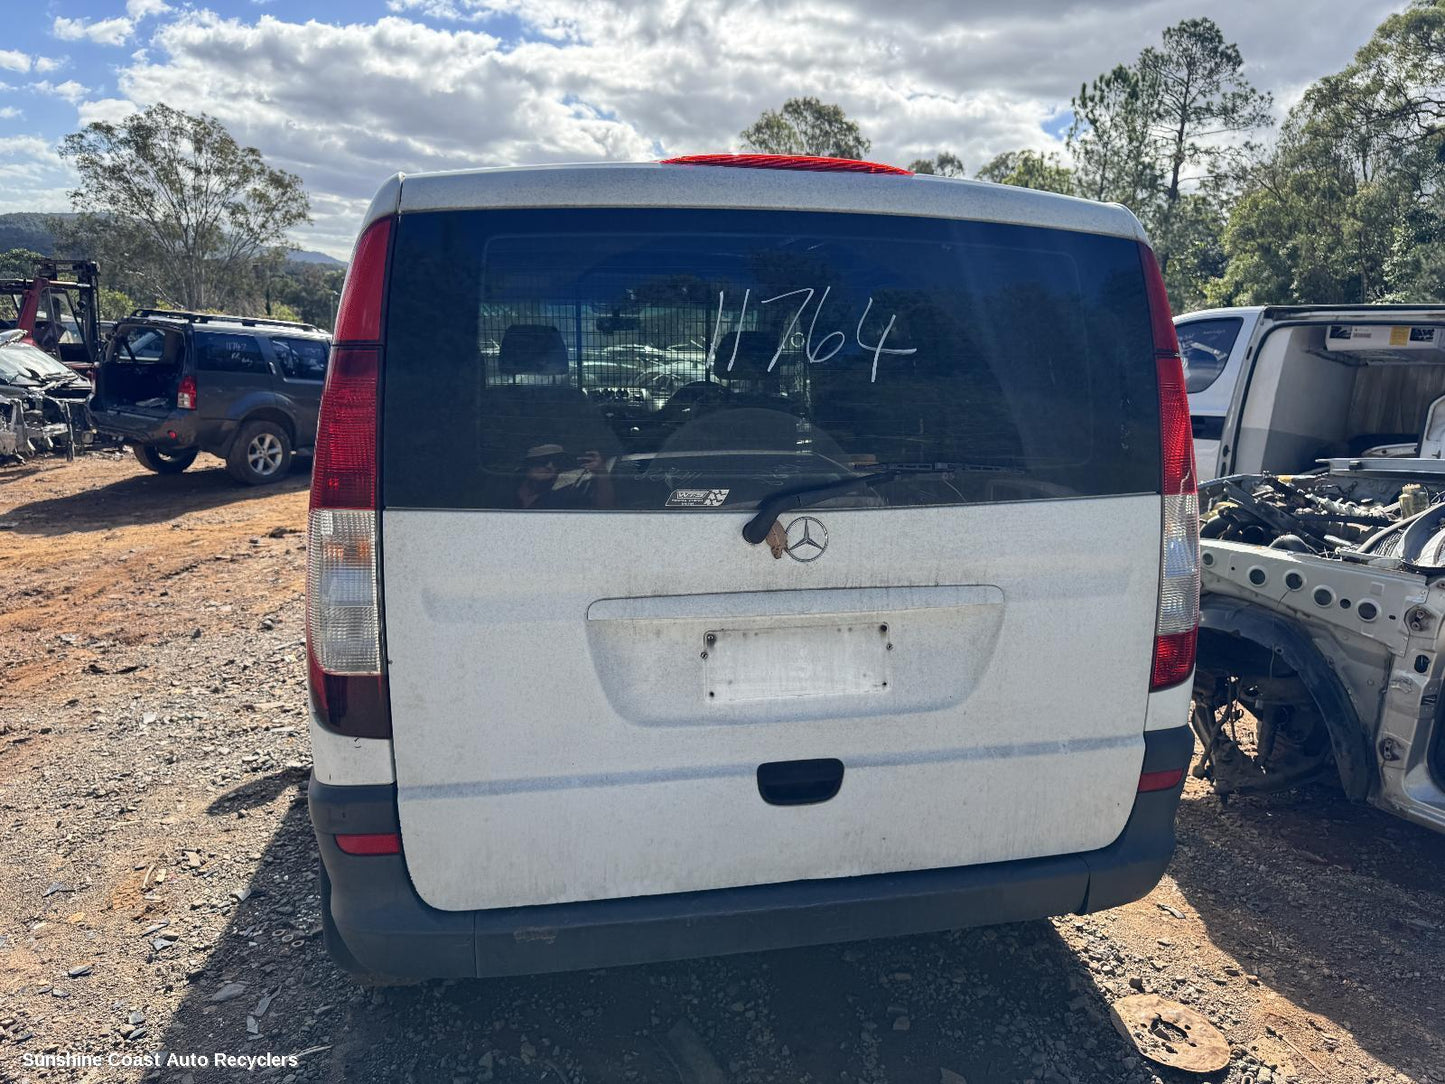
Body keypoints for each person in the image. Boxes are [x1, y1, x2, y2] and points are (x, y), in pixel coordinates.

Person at [513, 442, 614, 509]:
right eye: (542, 460)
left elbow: (604, 512)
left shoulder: (564, 498)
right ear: (526, 465)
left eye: (557, 462)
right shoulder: (501, 494)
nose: (550, 466)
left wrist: (601, 473)